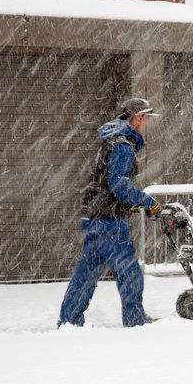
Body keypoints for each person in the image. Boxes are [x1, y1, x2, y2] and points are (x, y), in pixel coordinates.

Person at [58, 98, 162, 328]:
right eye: (145, 118)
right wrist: (147, 201)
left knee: (86, 275)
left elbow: (105, 184)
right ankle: (135, 321)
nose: (146, 123)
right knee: (130, 274)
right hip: (110, 222)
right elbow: (118, 184)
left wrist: (128, 204)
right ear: (136, 118)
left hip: (95, 217)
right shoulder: (123, 146)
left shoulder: (110, 141)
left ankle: (69, 320)